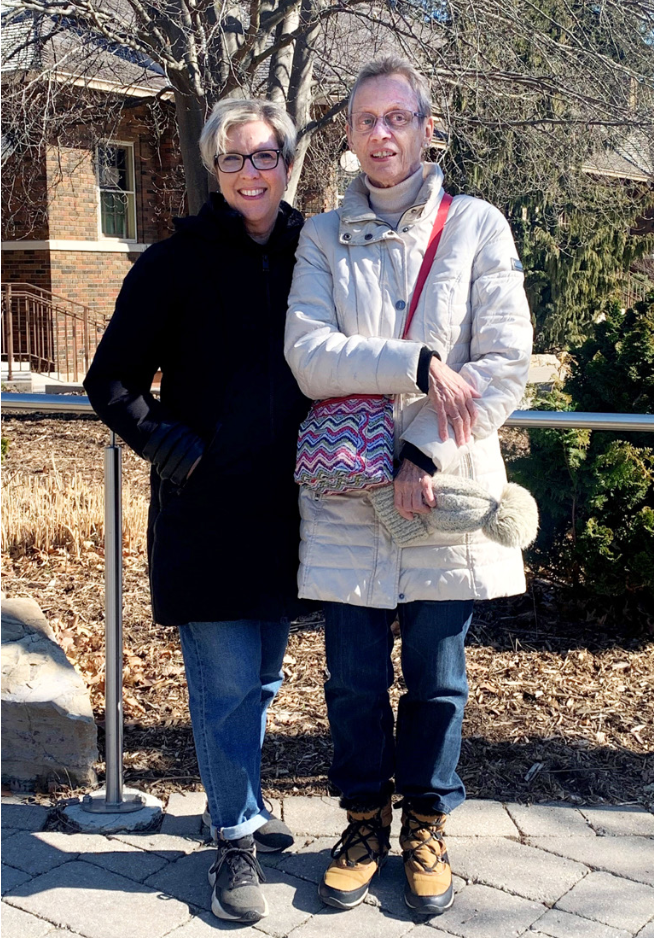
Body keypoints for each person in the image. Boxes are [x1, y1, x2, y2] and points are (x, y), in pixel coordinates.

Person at [285, 55, 532, 916]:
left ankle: (426, 819)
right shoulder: (319, 236)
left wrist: (421, 451)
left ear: (428, 128)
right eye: (365, 120)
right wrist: (421, 362)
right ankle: (361, 820)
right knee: (352, 678)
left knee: (436, 675)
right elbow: (308, 358)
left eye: (398, 118)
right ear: (348, 136)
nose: (381, 134)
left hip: (446, 488)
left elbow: (503, 366)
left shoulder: (477, 228)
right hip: (349, 489)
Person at [84, 98, 311, 925]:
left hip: (294, 511)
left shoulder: (312, 252)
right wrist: (168, 446)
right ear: (214, 169)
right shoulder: (172, 263)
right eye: (234, 158)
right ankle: (235, 839)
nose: (251, 172)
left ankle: (235, 800)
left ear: (290, 163)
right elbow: (108, 381)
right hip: (206, 509)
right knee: (223, 685)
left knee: (262, 679)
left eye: (266, 156)